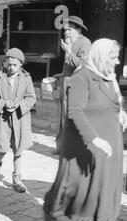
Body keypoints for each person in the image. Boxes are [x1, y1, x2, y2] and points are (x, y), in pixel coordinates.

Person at [44, 39, 127, 221]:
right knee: (82, 185)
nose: (117, 62)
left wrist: (121, 113)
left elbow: (113, 100)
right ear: (100, 56)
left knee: (105, 184)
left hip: (110, 142)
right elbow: (75, 111)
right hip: (91, 142)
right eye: (113, 58)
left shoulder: (107, 76)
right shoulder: (82, 77)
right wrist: (95, 139)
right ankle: (53, 210)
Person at [0, 48, 36, 193]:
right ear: (4, 63)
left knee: (18, 148)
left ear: (21, 64)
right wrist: (3, 104)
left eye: (15, 65)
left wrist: (19, 105)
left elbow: (31, 97)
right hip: (3, 118)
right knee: (3, 147)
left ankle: (17, 178)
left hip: (20, 118)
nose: (11, 68)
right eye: (8, 64)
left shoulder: (27, 79)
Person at [55, 16, 91, 152]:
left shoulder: (85, 43)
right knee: (63, 116)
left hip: (76, 86)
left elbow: (83, 66)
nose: (66, 33)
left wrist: (68, 52)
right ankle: (62, 147)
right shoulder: (70, 42)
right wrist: (61, 75)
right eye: (65, 30)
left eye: (69, 30)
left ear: (78, 30)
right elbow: (70, 66)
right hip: (65, 85)